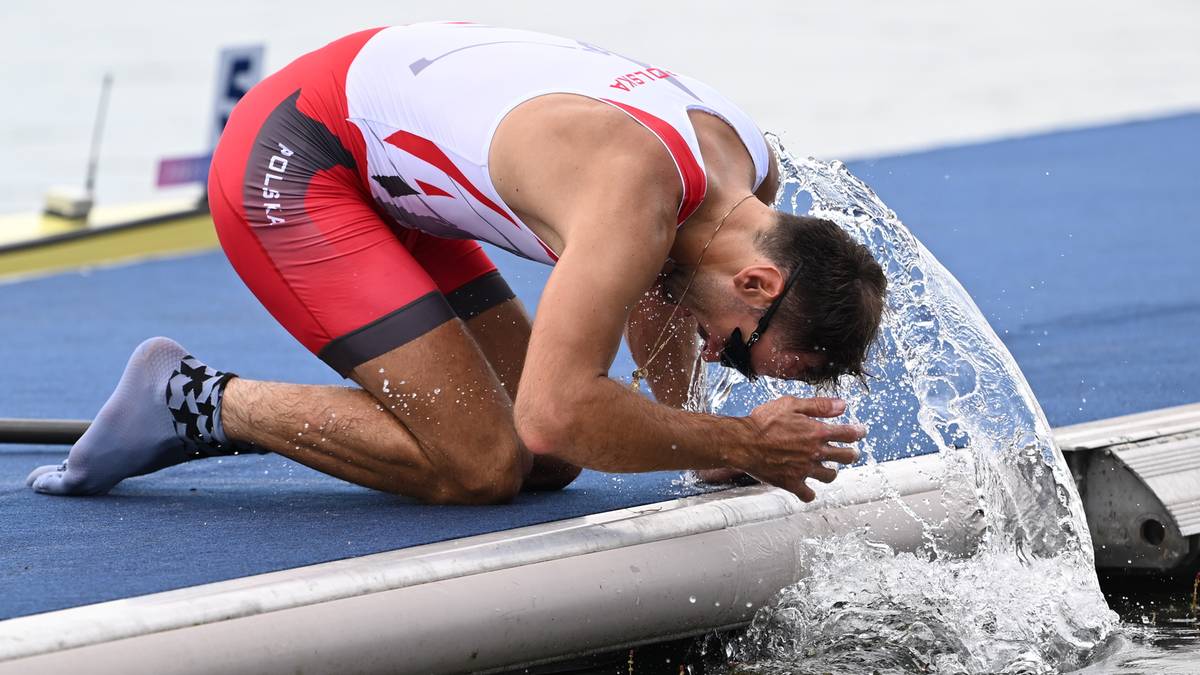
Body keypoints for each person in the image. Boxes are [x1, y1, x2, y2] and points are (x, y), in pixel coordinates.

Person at [27, 22, 886, 504]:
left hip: (393, 161)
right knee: (484, 461)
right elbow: (557, 409)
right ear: (758, 281)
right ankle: (191, 398)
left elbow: (658, 295)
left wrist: (705, 450)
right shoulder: (635, 195)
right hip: (296, 156)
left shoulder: (748, 178)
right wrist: (737, 437)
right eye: (738, 348)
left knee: (545, 466)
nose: (715, 354)